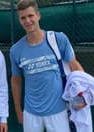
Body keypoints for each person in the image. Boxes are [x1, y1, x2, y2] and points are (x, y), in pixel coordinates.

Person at [9, 0, 84, 132]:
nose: (27, 21)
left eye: (30, 16)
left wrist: (82, 96)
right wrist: (18, 110)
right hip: (31, 113)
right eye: (23, 18)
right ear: (20, 20)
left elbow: (75, 67)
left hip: (59, 111)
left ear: (38, 15)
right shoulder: (16, 50)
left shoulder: (58, 39)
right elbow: (16, 80)